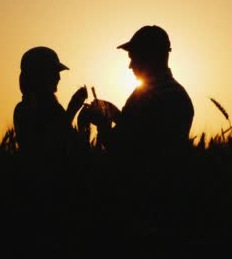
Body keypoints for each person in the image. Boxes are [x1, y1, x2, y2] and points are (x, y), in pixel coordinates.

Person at [80, 25, 194, 159]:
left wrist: (103, 124)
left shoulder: (146, 96)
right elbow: (144, 131)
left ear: (150, 57)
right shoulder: (178, 93)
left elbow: (124, 149)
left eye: (134, 57)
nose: (130, 65)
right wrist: (116, 114)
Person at [14, 46, 88, 156]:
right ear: (39, 75)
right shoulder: (26, 110)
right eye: (53, 72)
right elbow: (52, 146)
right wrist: (72, 110)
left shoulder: (51, 108)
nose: (59, 77)